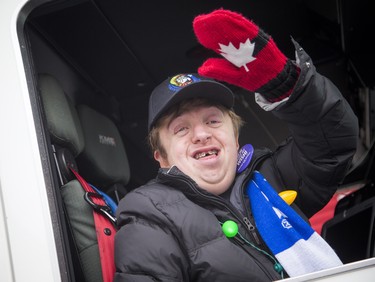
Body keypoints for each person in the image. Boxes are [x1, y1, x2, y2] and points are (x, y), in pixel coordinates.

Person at [114, 9, 358, 281]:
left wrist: (286, 85)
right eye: (181, 128)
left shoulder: (270, 175)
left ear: (235, 138)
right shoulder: (148, 211)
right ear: (162, 158)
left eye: (213, 122)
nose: (201, 134)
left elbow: (334, 142)